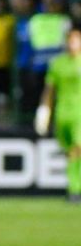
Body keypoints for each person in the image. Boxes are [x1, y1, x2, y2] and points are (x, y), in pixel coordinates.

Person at [36, 27, 81, 203]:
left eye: (76, 40)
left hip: (80, 114)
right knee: (70, 151)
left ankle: (76, 188)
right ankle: (73, 189)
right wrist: (44, 112)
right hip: (63, 114)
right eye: (70, 40)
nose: (72, 44)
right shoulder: (57, 63)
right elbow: (49, 90)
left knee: (78, 147)